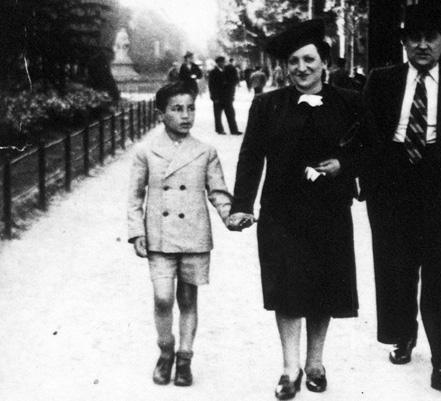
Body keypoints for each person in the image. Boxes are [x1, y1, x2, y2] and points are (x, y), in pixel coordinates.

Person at [226, 19, 365, 400]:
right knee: (286, 288)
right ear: (285, 67)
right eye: (293, 61)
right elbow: (250, 157)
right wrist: (241, 205)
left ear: (325, 62)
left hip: (329, 211)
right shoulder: (267, 105)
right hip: (281, 214)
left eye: (308, 59)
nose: (301, 68)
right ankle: (290, 368)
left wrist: (344, 165)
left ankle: (316, 363)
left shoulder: (350, 102)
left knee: (324, 286)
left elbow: (370, 151)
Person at [361, 4, 441, 395]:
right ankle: (403, 335)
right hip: (392, 187)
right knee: (396, 270)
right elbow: (367, 134)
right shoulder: (381, 81)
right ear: (403, 42)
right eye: (414, 37)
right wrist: (369, 186)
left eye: (430, 38)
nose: (422, 45)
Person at [127, 82, 232, 387]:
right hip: (159, 235)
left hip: (194, 235)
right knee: (162, 298)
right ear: (161, 114)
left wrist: (231, 214)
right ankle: (165, 350)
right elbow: (134, 197)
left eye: (190, 108)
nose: (185, 115)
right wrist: (136, 232)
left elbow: (219, 191)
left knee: (188, 298)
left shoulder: (205, 151)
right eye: (176, 109)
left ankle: (185, 359)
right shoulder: (145, 151)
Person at [207, 56, 242, 135]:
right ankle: (219, 129)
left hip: (227, 97)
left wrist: (232, 94)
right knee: (218, 115)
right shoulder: (213, 72)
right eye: (220, 62)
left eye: (223, 62)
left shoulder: (228, 70)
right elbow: (211, 86)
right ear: (217, 63)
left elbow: (234, 81)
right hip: (218, 97)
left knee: (231, 114)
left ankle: (234, 130)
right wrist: (213, 97)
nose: (222, 64)